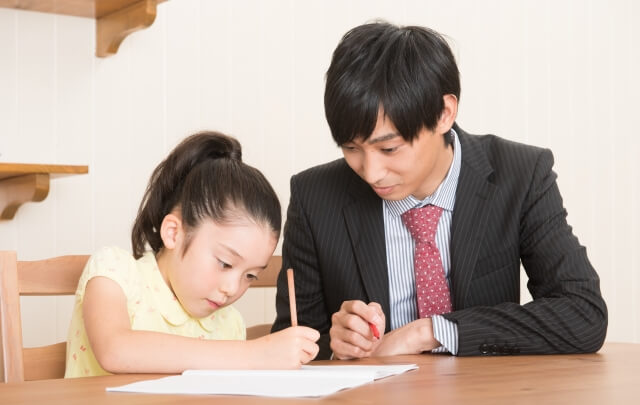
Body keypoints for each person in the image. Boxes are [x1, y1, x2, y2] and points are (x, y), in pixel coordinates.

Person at [272, 21, 607, 360]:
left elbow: (583, 314)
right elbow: (290, 343)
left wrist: (430, 331)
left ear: (444, 113)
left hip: (488, 402)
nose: (371, 173)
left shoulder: (520, 175)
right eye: (351, 148)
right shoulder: (314, 197)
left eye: (389, 149)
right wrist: (335, 345)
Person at [65, 131, 319, 377]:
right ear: (173, 233)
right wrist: (254, 354)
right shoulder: (115, 272)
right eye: (225, 263)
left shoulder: (229, 324)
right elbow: (115, 349)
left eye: (250, 276)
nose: (232, 288)